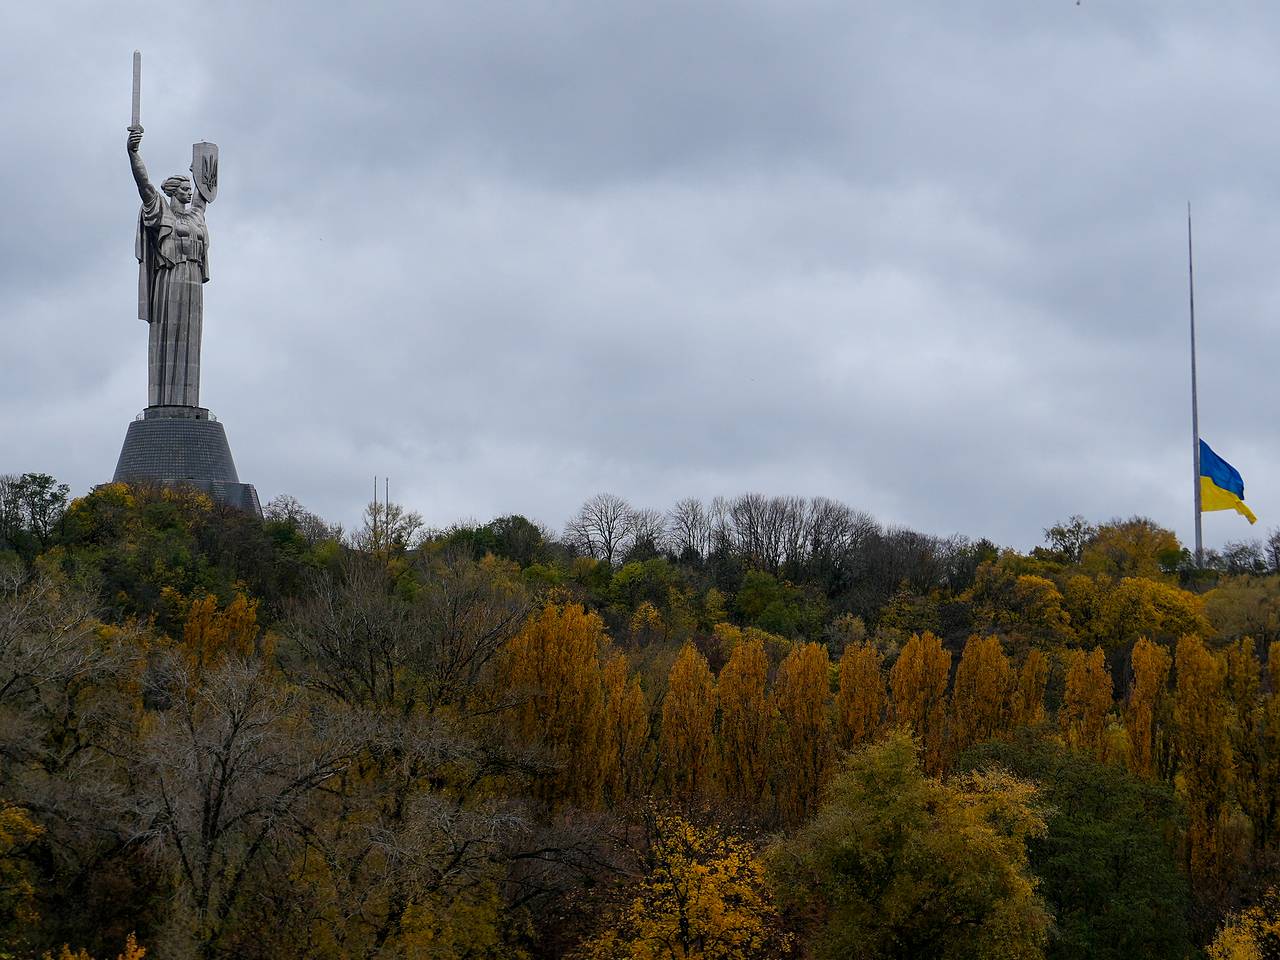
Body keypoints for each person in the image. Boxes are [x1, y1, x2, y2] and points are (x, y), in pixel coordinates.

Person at [127, 124, 210, 408]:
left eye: (191, 188)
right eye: (185, 188)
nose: (190, 192)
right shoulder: (160, 210)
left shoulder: (197, 218)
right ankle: (164, 401)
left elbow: (205, 194)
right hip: (170, 278)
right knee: (168, 335)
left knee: (190, 340)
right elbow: (144, 184)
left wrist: (201, 172)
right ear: (174, 191)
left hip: (193, 281)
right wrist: (133, 152)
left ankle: (188, 402)